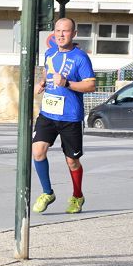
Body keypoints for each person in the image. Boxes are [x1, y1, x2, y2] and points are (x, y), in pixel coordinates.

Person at [32, 17, 96, 215]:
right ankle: (47, 192)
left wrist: (67, 83)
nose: (61, 34)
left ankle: (77, 196)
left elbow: (91, 85)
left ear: (73, 34)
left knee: (72, 161)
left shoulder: (80, 57)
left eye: (65, 31)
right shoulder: (50, 52)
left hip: (70, 117)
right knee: (37, 151)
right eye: (58, 30)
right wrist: (42, 83)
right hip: (48, 113)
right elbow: (47, 72)